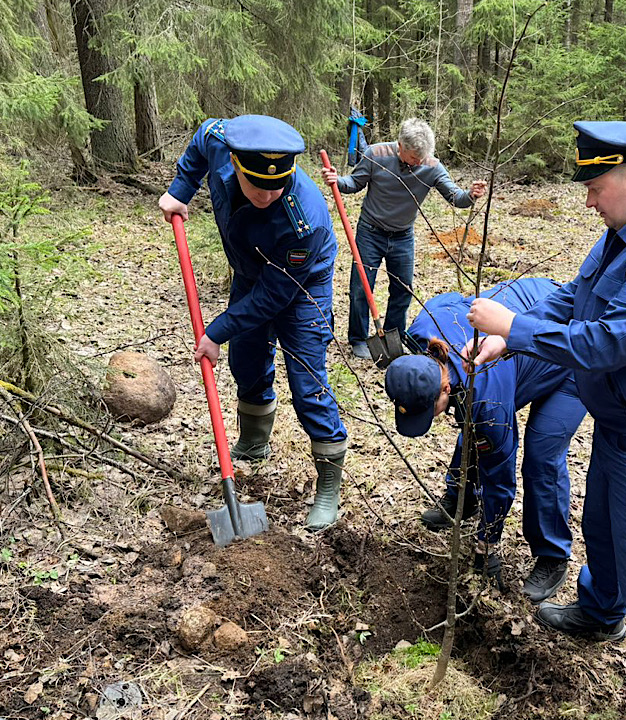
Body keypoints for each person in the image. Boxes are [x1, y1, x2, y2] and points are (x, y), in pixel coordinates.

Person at [465, 121, 626, 720]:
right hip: (622, 425)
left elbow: (608, 341)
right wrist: (515, 340)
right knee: (605, 529)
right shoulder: (624, 233)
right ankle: (600, 612)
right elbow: (576, 300)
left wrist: (514, 327)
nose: (587, 199)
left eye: (596, 186)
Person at [158, 115, 348, 531]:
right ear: (236, 163)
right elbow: (201, 138)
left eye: (276, 186)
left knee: (307, 382)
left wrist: (215, 332)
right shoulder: (220, 145)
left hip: (301, 285)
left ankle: (329, 485)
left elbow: (273, 297)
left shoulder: (305, 219)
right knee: (245, 360)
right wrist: (180, 191)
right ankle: (255, 441)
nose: (267, 194)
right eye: (258, 185)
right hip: (249, 269)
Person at [383, 278, 587, 601]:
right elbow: (453, 296)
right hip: (522, 315)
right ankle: (461, 498)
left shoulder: (485, 395)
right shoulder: (424, 328)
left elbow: (500, 473)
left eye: (428, 411)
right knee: (472, 420)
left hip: (566, 352)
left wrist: (486, 543)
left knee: (540, 454)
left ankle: (553, 554)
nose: (432, 418)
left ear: (445, 389)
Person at [320, 118, 487, 359]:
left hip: (403, 236)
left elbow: (455, 197)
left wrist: (471, 195)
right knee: (360, 287)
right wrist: (337, 180)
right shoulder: (376, 154)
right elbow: (353, 183)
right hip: (370, 231)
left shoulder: (431, 165)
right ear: (400, 146)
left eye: (422, 158)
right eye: (413, 158)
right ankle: (358, 339)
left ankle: (393, 336)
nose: (418, 162)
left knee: (403, 289)